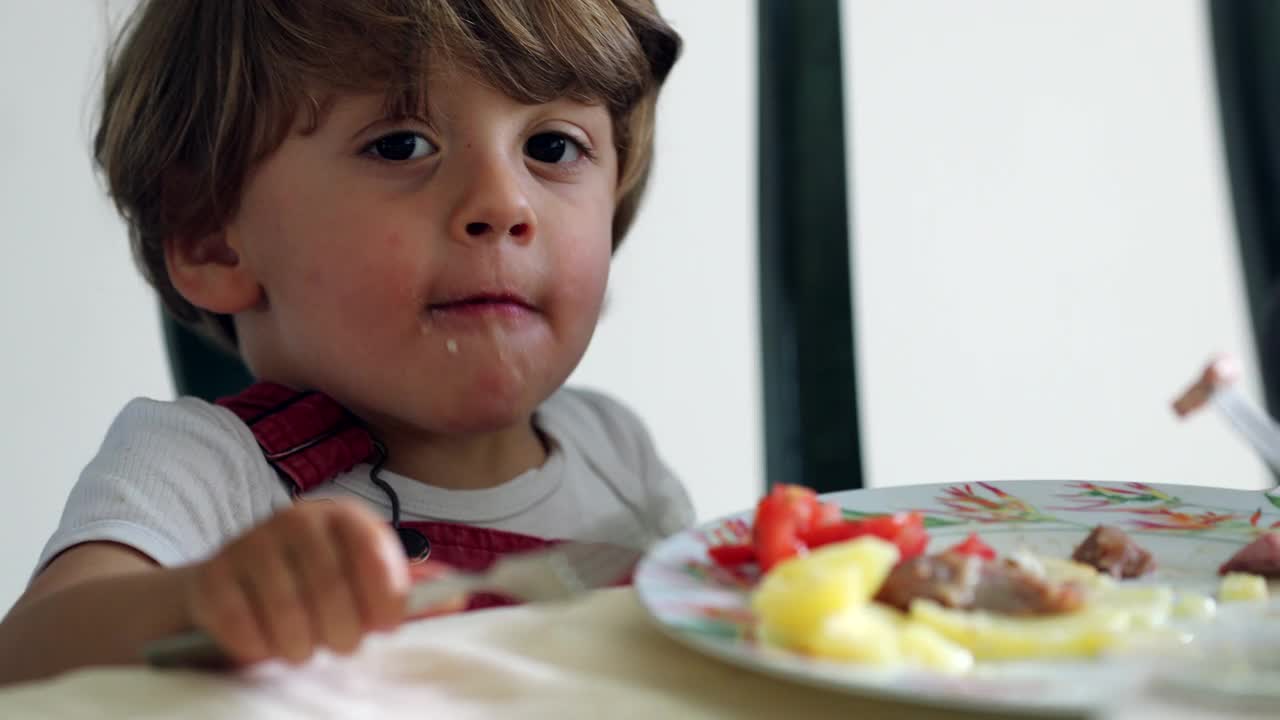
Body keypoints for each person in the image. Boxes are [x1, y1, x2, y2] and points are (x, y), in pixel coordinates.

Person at [0, 0, 694, 685]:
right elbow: (23, 659)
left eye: (552, 147)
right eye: (401, 145)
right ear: (212, 237)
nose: (504, 204)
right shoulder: (207, 471)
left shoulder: (617, 453)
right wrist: (202, 601)